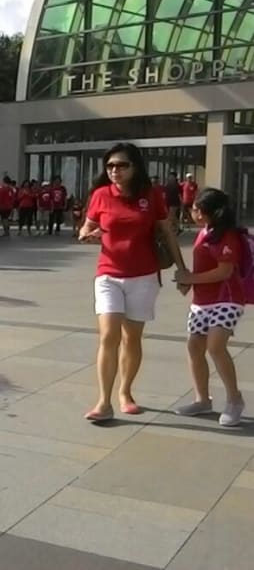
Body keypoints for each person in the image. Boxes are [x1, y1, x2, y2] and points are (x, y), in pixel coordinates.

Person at [78, 143, 185, 422]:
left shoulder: (152, 195)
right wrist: (87, 234)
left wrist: (184, 269)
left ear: (135, 167)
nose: (115, 170)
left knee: (132, 338)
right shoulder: (101, 194)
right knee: (108, 335)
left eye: (122, 165)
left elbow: (167, 233)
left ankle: (125, 392)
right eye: (110, 165)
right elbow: (86, 226)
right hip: (108, 274)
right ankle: (103, 401)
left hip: (144, 276)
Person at [173, 189, 246, 426]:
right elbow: (201, 266)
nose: (192, 212)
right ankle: (202, 400)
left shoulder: (228, 236)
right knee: (195, 346)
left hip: (227, 298)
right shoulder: (204, 232)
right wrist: (187, 282)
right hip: (201, 301)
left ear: (209, 212)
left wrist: (190, 278)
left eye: (196, 208)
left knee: (215, 346)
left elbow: (224, 271)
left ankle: (234, 400)